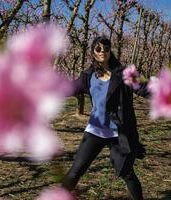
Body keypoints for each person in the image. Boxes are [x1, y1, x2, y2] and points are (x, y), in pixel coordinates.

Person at [62, 36, 149, 200]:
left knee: (127, 173)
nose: (102, 52)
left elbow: (144, 88)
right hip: (94, 131)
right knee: (75, 171)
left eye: (106, 49)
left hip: (118, 133)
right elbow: (69, 89)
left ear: (110, 51)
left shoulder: (123, 74)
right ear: (93, 52)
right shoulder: (88, 76)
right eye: (98, 49)